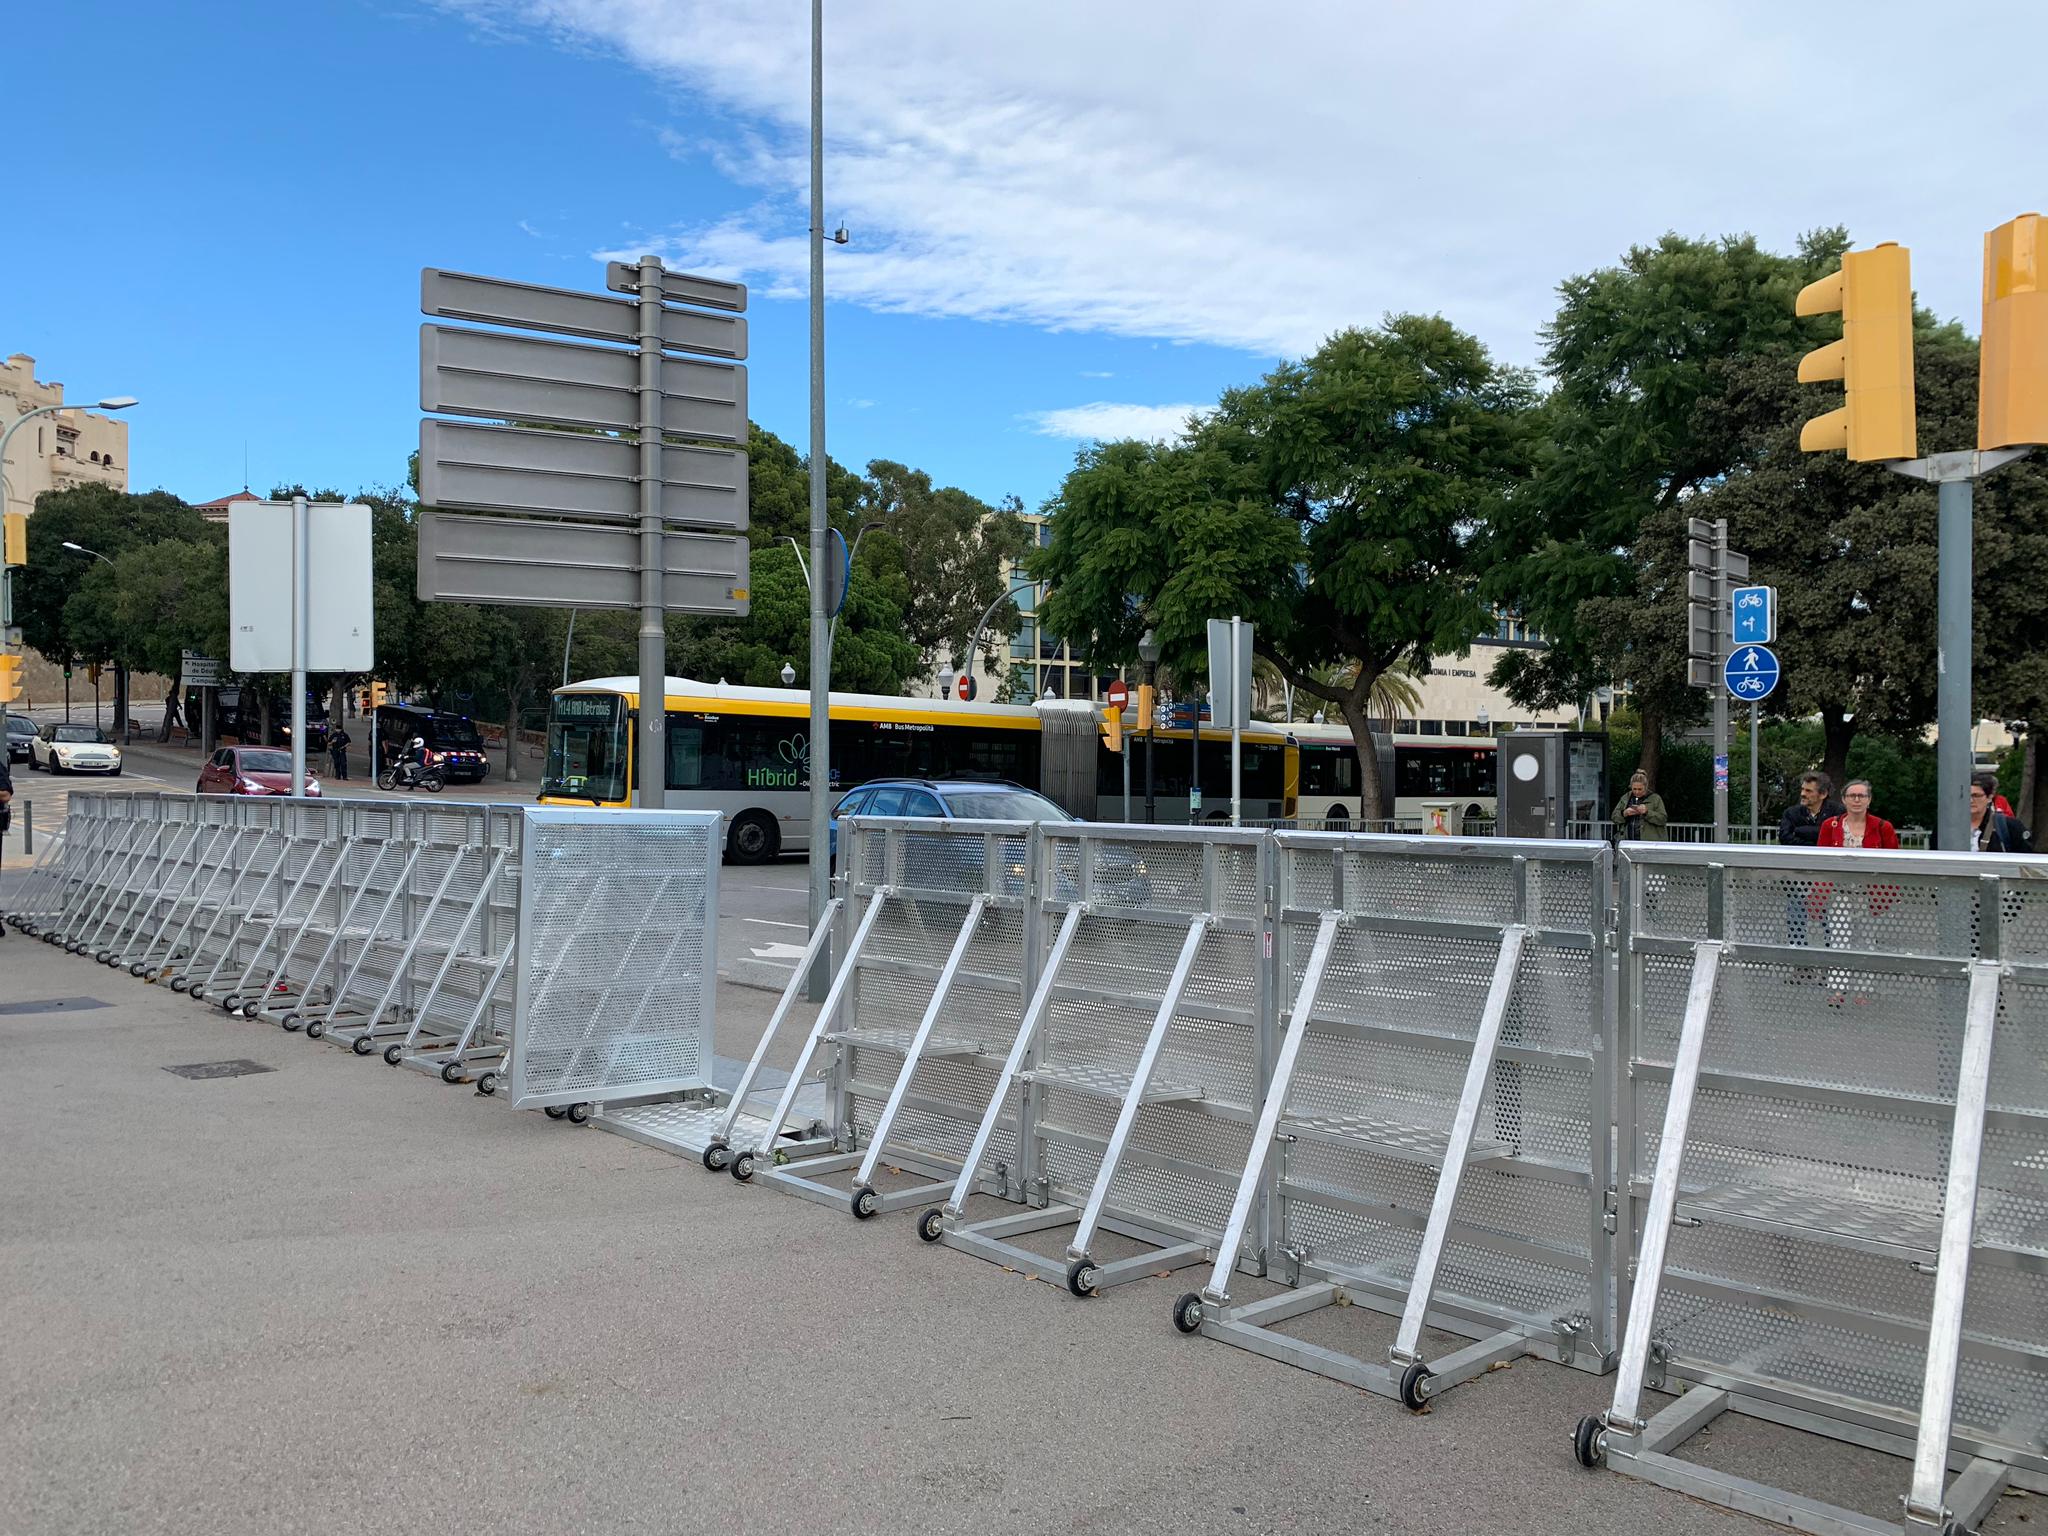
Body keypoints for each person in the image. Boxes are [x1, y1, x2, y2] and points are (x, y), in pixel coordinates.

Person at [1818, 780, 1899, 849]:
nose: (1856, 800)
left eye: (1861, 796)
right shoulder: (1829, 825)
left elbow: (1894, 861)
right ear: (1843, 799)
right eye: (1852, 796)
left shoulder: (1884, 827)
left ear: (1869, 799)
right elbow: (1821, 859)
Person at [1777, 772, 1844, 847]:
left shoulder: (1838, 812)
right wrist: (1816, 845)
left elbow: (1837, 838)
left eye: (1808, 791)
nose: (1802, 794)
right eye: (1802, 789)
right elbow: (1785, 839)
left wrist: (1799, 831)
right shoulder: (1791, 813)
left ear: (1823, 794)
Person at [1968, 777, 2032, 853]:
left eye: (1976, 795)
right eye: (1965, 795)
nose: (1970, 800)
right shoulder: (1951, 827)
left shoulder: (2008, 826)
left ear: (1989, 797)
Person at [1611, 770, 1668, 841]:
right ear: (1631, 786)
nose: (1637, 792)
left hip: (1649, 843)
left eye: (1640, 789)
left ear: (1646, 787)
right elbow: (1614, 817)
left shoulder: (1655, 799)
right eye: (1634, 789)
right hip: (1627, 841)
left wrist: (1647, 812)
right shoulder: (1625, 798)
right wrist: (1624, 813)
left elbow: (1663, 819)